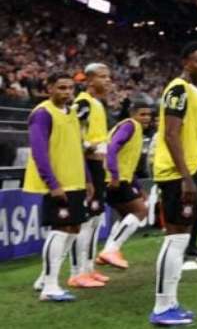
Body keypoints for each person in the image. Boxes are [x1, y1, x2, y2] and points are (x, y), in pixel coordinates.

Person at [149, 42, 197, 326]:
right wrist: (187, 177)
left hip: (189, 170)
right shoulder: (177, 90)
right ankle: (162, 307)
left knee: (181, 238)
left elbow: (189, 135)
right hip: (177, 174)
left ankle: (170, 302)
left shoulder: (194, 92)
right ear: (186, 62)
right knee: (175, 238)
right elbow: (171, 135)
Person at [25, 73, 93, 301]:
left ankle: (46, 277)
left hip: (75, 182)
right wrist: (52, 183)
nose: (66, 92)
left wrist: (88, 179)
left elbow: (76, 147)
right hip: (58, 183)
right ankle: (50, 287)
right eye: (61, 87)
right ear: (49, 88)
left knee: (73, 229)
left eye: (70, 88)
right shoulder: (42, 113)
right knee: (60, 229)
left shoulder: (72, 112)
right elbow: (39, 151)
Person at [96, 93, 154, 269]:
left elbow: (127, 162)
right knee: (141, 211)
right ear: (133, 114)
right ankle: (111, 249)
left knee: (125, 216)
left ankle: (107, 252)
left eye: (148, 115)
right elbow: (112, 148)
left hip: (121, 178)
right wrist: (114, 174)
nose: (146, 118)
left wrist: (138, 187)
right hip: (115, 179)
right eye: (142, 114)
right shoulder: (130, 126)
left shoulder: (134, 130)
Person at [69, 62, 112, 288]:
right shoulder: (84, 102)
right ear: (89, 80)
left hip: (98, 167)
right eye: (103, 77)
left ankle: (88, 268)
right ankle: (76, 273)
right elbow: (71, 130)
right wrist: (91, 146)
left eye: (109, 77)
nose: (108, 81)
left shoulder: (97, 103)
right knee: (85, 222)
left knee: (95, 220)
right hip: (86, 166)